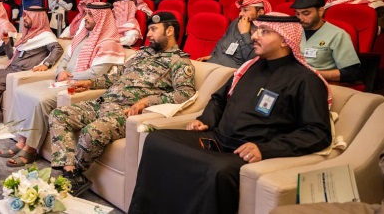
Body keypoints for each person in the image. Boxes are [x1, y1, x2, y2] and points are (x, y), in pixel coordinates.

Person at [129, 13, 333, 214]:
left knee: (218, 169)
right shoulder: (249, 68)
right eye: (256, 30)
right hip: (218, 139)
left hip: (247, 150)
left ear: (285, 40)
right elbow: (219, 99)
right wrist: (205, 120)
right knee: (156, 140)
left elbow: (317, 132)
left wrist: (266, 149)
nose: (254, 36)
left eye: (264, 32)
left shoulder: (305, 80)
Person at [50, 11, 196, 196]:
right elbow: (117, 76)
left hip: (124, 112)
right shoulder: (142, 54)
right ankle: (71, 172)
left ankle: (71, 174)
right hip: (103, 102)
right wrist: (91, 83)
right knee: (58, 114)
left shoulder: (180, 62)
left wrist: (147, 101)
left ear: (169, 31)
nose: (148, 34)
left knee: (92, 131)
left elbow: (185, 93)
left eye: (153, 29)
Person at [5, 2, 125, 168]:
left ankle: (31, 148)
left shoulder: (109, 43)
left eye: (90, 15)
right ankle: (21, 139)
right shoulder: (82, 36)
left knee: (42, 100)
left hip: (78, 85)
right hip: (62, 80)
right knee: (21, 90)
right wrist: (60, 72)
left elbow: (96, 73)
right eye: (86, 13)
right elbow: (65, 59)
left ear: (102, 19)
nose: (86, 18)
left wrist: (70, 77)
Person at [0, 6, 63, 124]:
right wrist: (7, 43)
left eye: (28, 16)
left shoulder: (46, 36)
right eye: (24, 15)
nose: (24, 18)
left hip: (21, 72)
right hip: (11, 68)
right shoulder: (27, 36)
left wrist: (46, 64)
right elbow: (11, 56)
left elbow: (58, 49)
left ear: (37, 18)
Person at [291, 0, 361, 83]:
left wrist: (314, 74)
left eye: (306, 13)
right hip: (293, 80)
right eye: (297, 14)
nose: (301, 18)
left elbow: (351, 73)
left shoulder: (337, 35)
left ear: (320, 11)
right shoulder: (293, 31)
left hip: (321, 83)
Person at [197, 0, 271, 68]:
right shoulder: (237, 21)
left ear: (260, 12)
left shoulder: (265, 31)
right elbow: (223, 40)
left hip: (232, 69)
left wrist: (244, 33)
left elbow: (252, 59)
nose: (240, 14)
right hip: (214, 61)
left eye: (245, 10)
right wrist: (212, 55)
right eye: (240, 10)